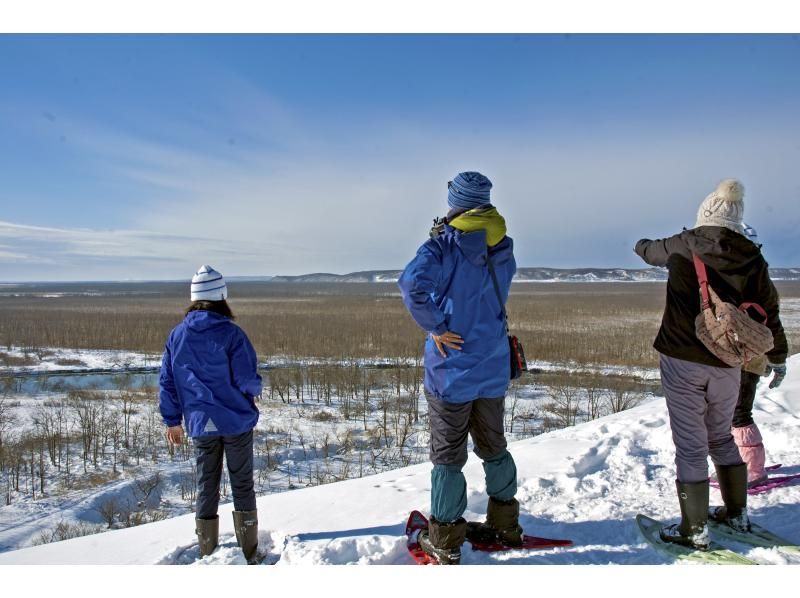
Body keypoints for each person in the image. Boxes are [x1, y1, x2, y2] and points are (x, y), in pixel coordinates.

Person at [634, 180, 787, 551]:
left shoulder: (686, 244)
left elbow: (651, 252)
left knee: (690, 444)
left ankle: (694, 529)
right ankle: (736, 513)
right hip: (728, 362)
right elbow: (771, 311)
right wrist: (778, 356)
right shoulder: (752, 257)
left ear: (705, 215)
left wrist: (639, 245)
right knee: (720, 436)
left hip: (681, 358)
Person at [397, 171, 520, 564]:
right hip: (492, 363)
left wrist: (437, 326)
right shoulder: (502, 245)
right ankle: (505, 524)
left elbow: (410, 284)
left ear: (457, 201)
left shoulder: (445, 247)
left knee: (448, 456)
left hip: (453, 369)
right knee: (494, 446)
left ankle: (445, 540)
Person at [159, 265, 263, 563]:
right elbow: (246, 378)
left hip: (200, 423)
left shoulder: (177, 336)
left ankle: (207, 550)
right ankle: (250, 551)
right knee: (242, 483)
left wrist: (172, 420)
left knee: (207, 483)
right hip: (235, 419)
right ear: (221, 296)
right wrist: (258, 386)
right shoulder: (232, 334)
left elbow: (167, 380)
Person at [730, 225, 788, 487]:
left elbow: (771, 320)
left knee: (739, 413)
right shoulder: (752, 273)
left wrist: (777, 358)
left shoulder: (752, 277)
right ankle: (740, 463)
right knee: (731, 413)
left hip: (746, 357)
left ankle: (753, 470)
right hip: (736, 357)